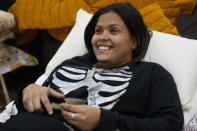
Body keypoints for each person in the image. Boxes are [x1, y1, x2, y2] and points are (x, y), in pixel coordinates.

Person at [0, 2, 184, 131]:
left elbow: (171, 125)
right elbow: (31, 104)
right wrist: (27, 91)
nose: (102, 37)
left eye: (114, 30)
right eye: (98, 30)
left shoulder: (152, 74)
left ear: (134, 41)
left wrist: (106, 121)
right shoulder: (71, 64)